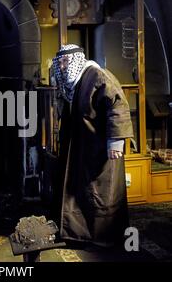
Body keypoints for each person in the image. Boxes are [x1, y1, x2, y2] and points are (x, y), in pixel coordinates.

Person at [51, 44, 134, 248]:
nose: (62, 67)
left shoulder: (97, 76)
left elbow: (117, 105)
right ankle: (78, 235)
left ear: (77, 60)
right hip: (79, 149)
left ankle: (103, 237)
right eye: (59, 62)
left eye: (66, 62)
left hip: (99, 149)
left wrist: (116, 141)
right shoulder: (73, 84)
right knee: (77, 191)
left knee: (99, 193)